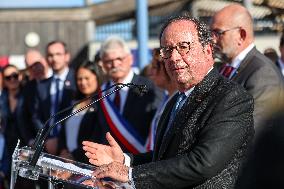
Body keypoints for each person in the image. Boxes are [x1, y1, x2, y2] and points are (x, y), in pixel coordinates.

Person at [82, 16, 254, 188]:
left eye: (183, 47)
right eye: (167, 50)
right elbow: (164, 158)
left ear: (207, 50)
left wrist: (129, 174)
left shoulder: (231, 98)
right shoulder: (175, 101)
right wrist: (125, 160)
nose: (174, 57)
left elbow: (202, 163)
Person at [211, 3, 284, 132]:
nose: (212, 40)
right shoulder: (223, 68)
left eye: (218, 33)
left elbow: (253, 129)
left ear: (241, 35)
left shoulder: (262, 73)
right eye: (210, 33)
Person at [93, 36, 163, 154]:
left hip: (140, 161)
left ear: (131, 58)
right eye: (109, 61)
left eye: (119, 59)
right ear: (103, 65)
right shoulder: (100, 93)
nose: (115, 64)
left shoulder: (150, 87)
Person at [31, 40, 77, 155]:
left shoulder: (78, 81)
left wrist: (60, 141)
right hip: (47, 145)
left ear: (67, 56)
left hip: (71, 147)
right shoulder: (42, 85)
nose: (54, 58)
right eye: (50, 55)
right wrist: (47, 138)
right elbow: (37, 116)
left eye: (58, 54)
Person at [58, 60, 102, 163]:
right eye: (79, 79)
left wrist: (74, 156)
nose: (83, 82)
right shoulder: (72, 102)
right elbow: (63, 130)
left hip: (88, 162)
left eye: (87, 78)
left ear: (97, 77)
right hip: (67, 160)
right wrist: (63, 150)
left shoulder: (102, 105)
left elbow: (96, 137)